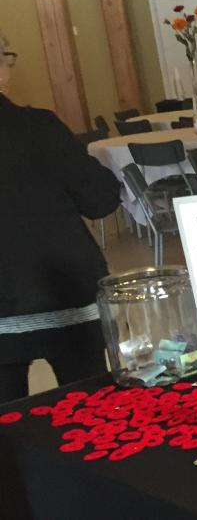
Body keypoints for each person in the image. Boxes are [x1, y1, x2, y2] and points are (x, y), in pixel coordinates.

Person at [0, 33, 120, 402]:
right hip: (63, 293)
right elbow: (100, 200)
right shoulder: (39, 127)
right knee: (89, 414)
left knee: (7, 428)